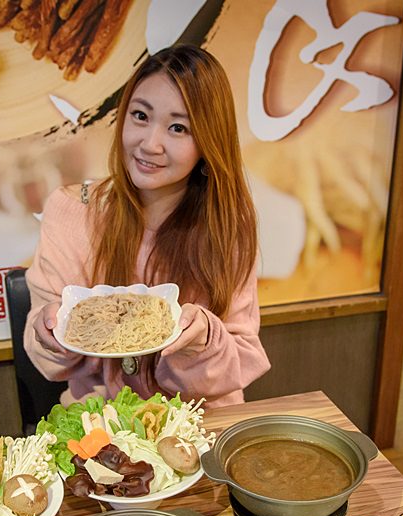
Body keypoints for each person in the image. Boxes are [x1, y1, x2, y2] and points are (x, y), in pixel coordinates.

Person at [23, 44, 270, 408]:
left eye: (177, 127)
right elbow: (46, 353)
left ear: (208, 142)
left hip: (199, 418)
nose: (150, 144)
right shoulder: (74, 209)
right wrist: (50, 331)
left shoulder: (227, 224)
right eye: (140, 116)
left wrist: (203, 339)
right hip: (102, 420)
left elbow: (241, 357)